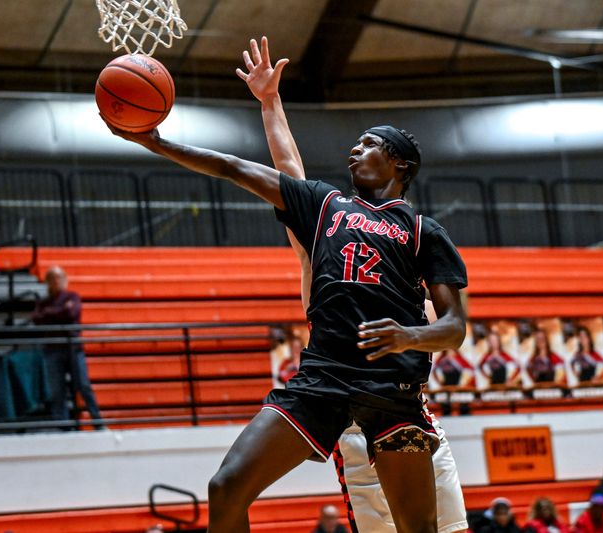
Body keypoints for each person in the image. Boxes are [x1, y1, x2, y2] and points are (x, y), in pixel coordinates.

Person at [106, 38, 468, 533]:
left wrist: (409, 336)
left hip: (394, 394)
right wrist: (156, 142)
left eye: (368, 143)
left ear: (400, 163)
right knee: (225, 486)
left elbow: (454, 327)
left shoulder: (425, 231)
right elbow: (239, 168)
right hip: (323, 381)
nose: (353, 150)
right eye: (355, 144)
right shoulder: (324, 208)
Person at [237, 36, 469, 533]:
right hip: (349, 431)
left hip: (405, 417)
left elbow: (451, 327)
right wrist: (270, 102)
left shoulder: (410, 247)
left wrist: (412, 335)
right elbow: (289, 173)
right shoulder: (318, 241)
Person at [31, 265, 103, 429]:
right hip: (53, 349)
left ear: (65, 280)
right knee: (57, 391)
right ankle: (63, 428)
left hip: (73, 348)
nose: (56, 282)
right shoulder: (44, 302)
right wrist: (60, 311)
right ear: (48, 282)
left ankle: (98, 422)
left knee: (83, 385)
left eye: (59, 278)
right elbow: (36, 318)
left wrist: (50, 313)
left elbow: (71, 313)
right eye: (53, 279)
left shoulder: (73, 296)